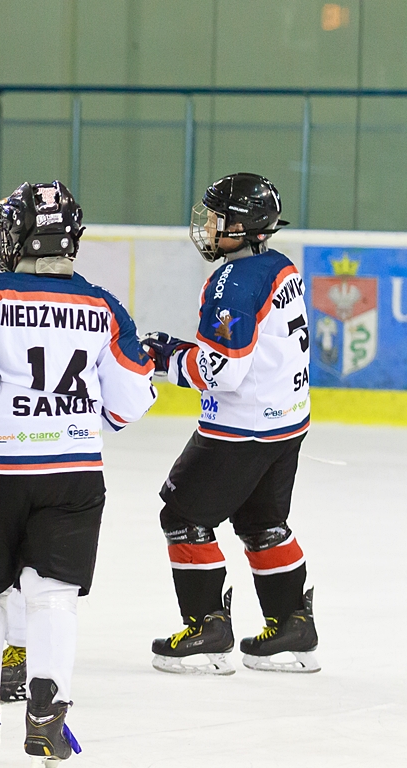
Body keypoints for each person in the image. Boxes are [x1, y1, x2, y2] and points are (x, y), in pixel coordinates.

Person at [0, 181, 156, 766]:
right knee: (53, 598)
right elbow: (130, 404)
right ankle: (48, 717)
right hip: (73, 474)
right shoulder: (103, 305)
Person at [145, 173, 318, 675]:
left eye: (218, 217)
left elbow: (221, 372)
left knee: (181, 516)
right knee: (263, 525)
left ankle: (208, 630)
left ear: (242, 225)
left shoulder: (232, 282)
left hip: (240, 431)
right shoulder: (279, 266)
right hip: (287, 423)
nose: (209, 225)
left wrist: (167, 358)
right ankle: (293, 630)